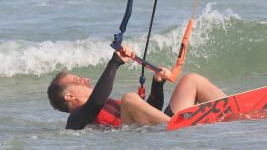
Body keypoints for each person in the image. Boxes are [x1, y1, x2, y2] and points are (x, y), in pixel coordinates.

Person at [47, 46, 226, 130]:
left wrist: (157, 85)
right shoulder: (75, 120)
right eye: (78, 80)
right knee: (130, 98)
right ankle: (179, 125)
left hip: (159, 128)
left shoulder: (109, 103)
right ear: (69, 97)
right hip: (151, 134)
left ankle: (234, 110)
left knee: (191, 80)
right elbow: (95, 102)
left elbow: (151, 113)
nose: (85, 79)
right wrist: (115, 62)